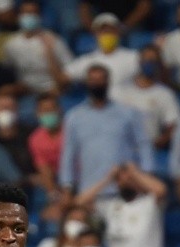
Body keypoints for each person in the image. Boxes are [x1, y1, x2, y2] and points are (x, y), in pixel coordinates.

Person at [58, 64, 153, 198]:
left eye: (101, 79)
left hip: (124, 189)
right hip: (90, 192)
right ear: (87, 83)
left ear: (108, 82)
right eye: (93, 79)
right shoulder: (74, 117)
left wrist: (146, 174)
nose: (97, 83)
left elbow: (143, 143)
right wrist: (67, 185)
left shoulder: (127, 113)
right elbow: (69, 153)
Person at [3, 1, 72, 95]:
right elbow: (9, 69)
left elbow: (69, 69)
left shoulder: (54, 40)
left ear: (39, 16)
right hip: (26, 91)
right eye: (26, 13)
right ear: (19, 15)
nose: (29, 16)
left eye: (33, 13)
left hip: (54, 90)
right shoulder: (11, 44)